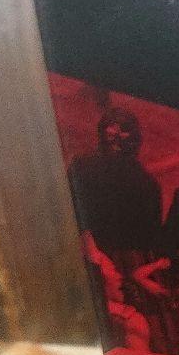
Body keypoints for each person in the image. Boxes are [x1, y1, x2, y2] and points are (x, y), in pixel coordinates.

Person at [67, 106, 162, 270]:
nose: (116, 135)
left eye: (122, 131)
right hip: (120, 262)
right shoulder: (148, 183)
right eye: (113, 129)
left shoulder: (81, 166)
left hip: (93, 258)